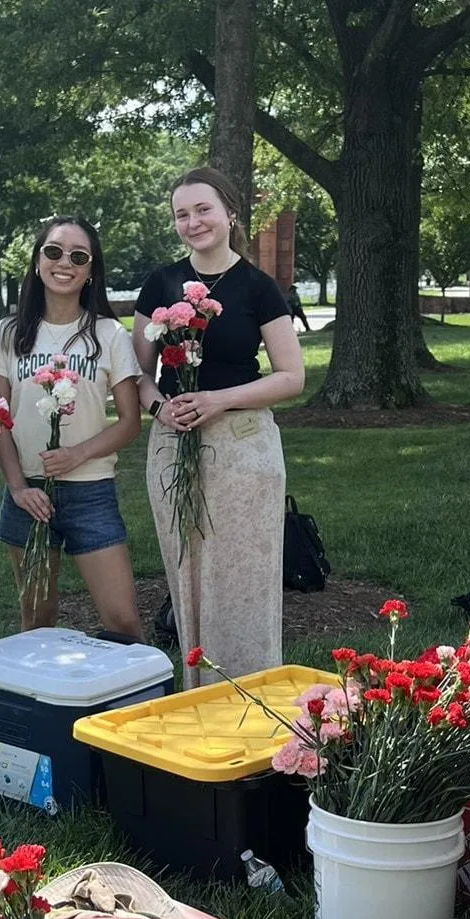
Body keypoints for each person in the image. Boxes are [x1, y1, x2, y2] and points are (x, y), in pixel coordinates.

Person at [133, 167, 305, 689]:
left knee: (244, 577)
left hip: (243, 446)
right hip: (173, 442)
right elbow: (137, 374)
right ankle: (196, 696)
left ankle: (251, 695)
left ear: (230, 212)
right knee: (187, 575)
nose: (193, 222)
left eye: (203, 209)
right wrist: (160, 407)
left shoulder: (259, 288)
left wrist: (219, 400)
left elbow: (291, 376)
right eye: (181, 214)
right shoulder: (160, 283)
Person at [0, 216, 144, 637]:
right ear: (38, 261)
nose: (64, 263)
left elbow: (130, 422)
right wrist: (17, 487)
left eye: (78, 256)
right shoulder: (7, 334)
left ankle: (136, 684)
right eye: (54, 251)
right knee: (36, 620)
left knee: (123, 621)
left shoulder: (108, 334)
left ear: (91, 271)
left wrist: (78, 454)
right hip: (28, 495)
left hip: (90, 491)